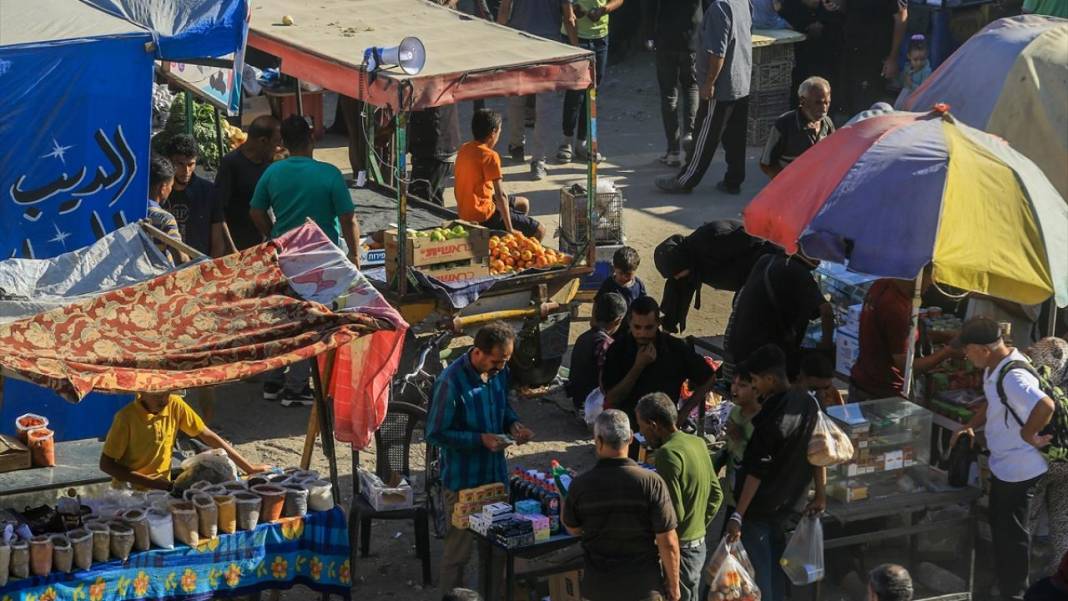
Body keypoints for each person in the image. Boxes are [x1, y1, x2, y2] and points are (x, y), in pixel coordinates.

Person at [948, 318, 1055, 601]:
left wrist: (1028, 434)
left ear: (983, 349)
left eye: (967, 350)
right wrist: (971, 424)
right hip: (1005, 464)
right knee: (1002, 528)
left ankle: (1015, 593)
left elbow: (1045, 405)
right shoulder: (995, 367)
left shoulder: (1014, 376)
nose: (965, 356)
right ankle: (1006, 583)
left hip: (1020, 468)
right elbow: (993, 399)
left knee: (1012, 535)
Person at [427, 322, 535, 591]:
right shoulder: (449, 382)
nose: (501, 367)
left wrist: (513, 425)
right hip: (463, 482)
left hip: (495, 478)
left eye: (505, 361)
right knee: (458, 554)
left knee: (497, 548)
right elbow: (436, 434)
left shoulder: (499, 372)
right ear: (478, 352)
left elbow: (504, 407)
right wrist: (479, 440)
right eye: (497, 361)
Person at [725, 344, 826, 601]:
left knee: (760, 578)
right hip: (789, 506)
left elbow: (756, 472)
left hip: (759, 510)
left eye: (756, 380)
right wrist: (820, 494)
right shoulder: (807, 402)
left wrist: (738, 514)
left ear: (770, 378)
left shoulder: (770, 419)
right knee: (776, 571)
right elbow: (819, 451)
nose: (754, 385)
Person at [562, 409, 681, 601]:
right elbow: (668, 541)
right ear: (631, 439)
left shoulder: (581, 485)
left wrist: (563, 497)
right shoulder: (652, 482)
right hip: (643, 589)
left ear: (598, 441)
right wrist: (674, 586)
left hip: (598, 590)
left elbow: (573, 528)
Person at [654, 0, 751, 195]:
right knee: (735, 137)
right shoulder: (743, 2)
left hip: (722, 86)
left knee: (704, 136)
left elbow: (717, 52)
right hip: (741, 81)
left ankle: (685, 180)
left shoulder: (720, 8)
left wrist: (709, 83)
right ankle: (733, 180)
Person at [636, 393, 722, 601]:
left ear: (654, 425)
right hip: (698, 546)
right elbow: (716, 494)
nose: (641, 432)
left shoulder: (667, 454)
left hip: (680, 552)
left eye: (642, 427)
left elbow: (672, 514)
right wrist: (698, 525)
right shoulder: (697, 442)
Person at [99, 391, 269, 491]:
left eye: (167, 393)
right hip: (129, 491)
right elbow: (106, 465)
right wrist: (153, 483)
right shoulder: (125, 418)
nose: (163, 400)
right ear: (141, 391)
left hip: (163, 488)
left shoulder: (175, 404)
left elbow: (207, 435)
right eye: (157, 395)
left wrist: (249, 468)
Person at [601, 296, 716, 442]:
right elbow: (612, 397)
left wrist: (683, 413)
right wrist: (638, 366)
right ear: (629, 323)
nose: (642, 334)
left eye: (648, 328)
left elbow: (709, 378)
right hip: (627, 433)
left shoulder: (676, 349)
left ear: (658, 324)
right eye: (637, 327)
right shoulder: (618, 349)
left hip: (664, 433)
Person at [250, 115, 361, 257]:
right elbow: (348, 219)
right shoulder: (331, 173)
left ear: (283, 143)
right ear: (312, 139)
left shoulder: (271, 172)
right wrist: (354, 255)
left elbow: (256, 212)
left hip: (286, 254)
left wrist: (274, 235)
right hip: (325, 255)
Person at [654, 219, 782, 333]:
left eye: (676, 273)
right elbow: (677, 296)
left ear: (680, 263)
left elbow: (757, 240)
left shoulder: (714, 237)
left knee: (744, 309)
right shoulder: (687, 263)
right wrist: (666, 331)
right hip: (741, 276)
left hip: (762, 264)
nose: (676, 277)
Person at [726, 252, 834, 378]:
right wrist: (826, 347)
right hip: (763, 356)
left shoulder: (766, 258)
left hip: (736, 348)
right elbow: (826, 311)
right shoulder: (797, 271)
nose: (820, 259)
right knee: (816, 369)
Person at [499, 0, 574, 179]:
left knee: (516, 96)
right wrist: (575, 48)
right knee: (545, 105)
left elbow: (504, 8)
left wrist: (498, 39)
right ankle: (539, 160)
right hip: (548, 44)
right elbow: (569, 17)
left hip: (518, 39)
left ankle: (516, 145)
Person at [849, 277, 954, 401]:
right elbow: (907, 367)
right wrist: (947, 352)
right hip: (880, 394)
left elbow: (900, 335)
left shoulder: (881, 285)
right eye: (929, 277)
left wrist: (947, 335)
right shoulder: (896, 308)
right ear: (917, 274)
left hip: (864, 381)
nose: (931, 283)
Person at [454, 109, 545, 240]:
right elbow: (500, 194)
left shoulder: (464, 148)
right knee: (540, 230)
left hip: (465, 211)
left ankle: (513, 240)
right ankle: (517, 247)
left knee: (523, 203)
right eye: (500, 130)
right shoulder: (490, 156)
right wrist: (510, 229)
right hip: (483, 215)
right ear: (493, 132)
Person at [558, 0, 620, 164]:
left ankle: (582, 143)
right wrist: (577, 49)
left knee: (591, 92)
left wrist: (603, 10)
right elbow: (568, 15)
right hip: (575, 37)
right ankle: (567, 142)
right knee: (575, 92)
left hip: (600, 38)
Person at [1025, 337, 1068, 575]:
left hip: (1042, 459)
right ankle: (1061, 575)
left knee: (1028, 519)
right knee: (1062, 522)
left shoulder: (1037, 384)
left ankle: (1020, 575)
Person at [214, 115, 282, 251]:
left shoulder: (271, 163)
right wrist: (231, 248)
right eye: (276, 142)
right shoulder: (231, 164)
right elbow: (218, 210)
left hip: (265, 244)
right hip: (239, 245)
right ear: (263, 141)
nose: (279, 147)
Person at [164, 134, 235, 257]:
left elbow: (218, 240)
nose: (186, 171)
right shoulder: (160, 191)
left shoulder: (209, 191)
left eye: (191, 164)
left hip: (199, 266)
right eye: (180, 164)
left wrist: (209, 268)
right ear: (169, 161)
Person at [652, 0, 703, 167]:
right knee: (691, 88)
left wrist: (649, 35)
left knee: (669, 95)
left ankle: (673, 151)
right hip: (692, 40)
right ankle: (689, 135)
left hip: (666, 40)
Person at [839, 0, 907, 116]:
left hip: (874, 55)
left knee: (866, 108)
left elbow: (901, 17)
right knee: (847, 107)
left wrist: (893, 58)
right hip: (849, 51)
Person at [759, 76, 835, 179]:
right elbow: (766, 164)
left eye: (827, 102)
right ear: (803, 101)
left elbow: (833, 157)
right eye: (818, 103)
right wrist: (787, 183)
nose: (824, 108)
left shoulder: (827, 123)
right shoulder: (784, 124)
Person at [567, 292, 628, 413]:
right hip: (590, 405)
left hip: (577, 400)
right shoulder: (607, 345)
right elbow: (605, 386)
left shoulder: (582, 337)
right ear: (618, 320)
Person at [408, 103, 461, 206]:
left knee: (422, 203)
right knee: (432, 201)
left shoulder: (428, 92)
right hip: (440, 147)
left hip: (433, 151)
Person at [722, 368, 760, 507]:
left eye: (742, 385)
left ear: (757, 389)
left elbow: (759, 462)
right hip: (732, 493)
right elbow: (729, 449)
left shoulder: (762, 421)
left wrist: (740, 438)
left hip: (750, 499)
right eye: (733, 383)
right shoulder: (735, 411)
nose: (735, 389)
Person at [146, 156, 188, 265]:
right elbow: (181, 259)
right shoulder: (164, 218)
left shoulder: (129, 213)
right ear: (163, 187)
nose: (170, 190)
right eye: (171, 186)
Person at [595, 246, 647, 311]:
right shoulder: (608, 284)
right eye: (621, 273)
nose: (624, 277)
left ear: (635, 270)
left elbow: (644, 304)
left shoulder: (638, 284)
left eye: (628, 274)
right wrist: (594, 319)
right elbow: (597, 303)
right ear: (614, 268)